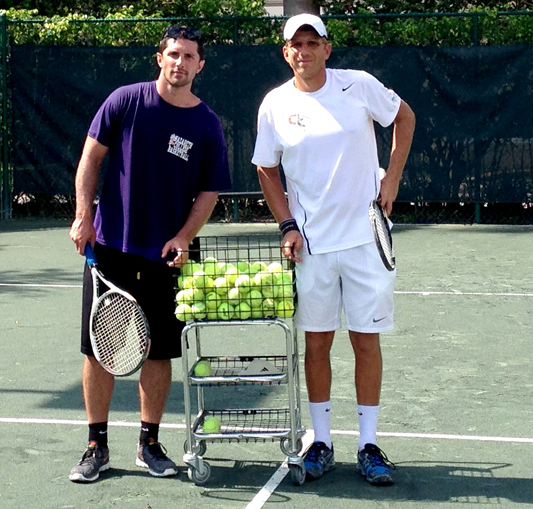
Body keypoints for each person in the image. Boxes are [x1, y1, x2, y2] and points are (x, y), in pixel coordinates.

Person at [252, 13, 415, 485]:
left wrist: (393, 178)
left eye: (312, 42)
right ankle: (320, 442)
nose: (303, 51)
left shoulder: (358, 86)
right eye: (295, 45)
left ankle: (368, 445)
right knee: (317, 341)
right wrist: (287, 224)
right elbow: (267, 168)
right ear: (286, 54)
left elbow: (404, 117)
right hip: (313, 248)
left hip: (367, 239)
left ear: (327, 48)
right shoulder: (274, 105)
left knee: (366, 341)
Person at [68, 26, 231, 483]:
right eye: (173, 54)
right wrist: (83, 217)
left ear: (200, 65)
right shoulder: (125, 100)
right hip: (111, 249)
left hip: (167, 256)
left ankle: (149, 443)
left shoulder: (207, 124)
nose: (180, 63)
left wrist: (183, 236)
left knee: (159, 352)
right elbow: (90, 159)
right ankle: (96, 445)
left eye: (190, 57)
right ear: (159, 58)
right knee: (99, 350)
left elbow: (209, 190)